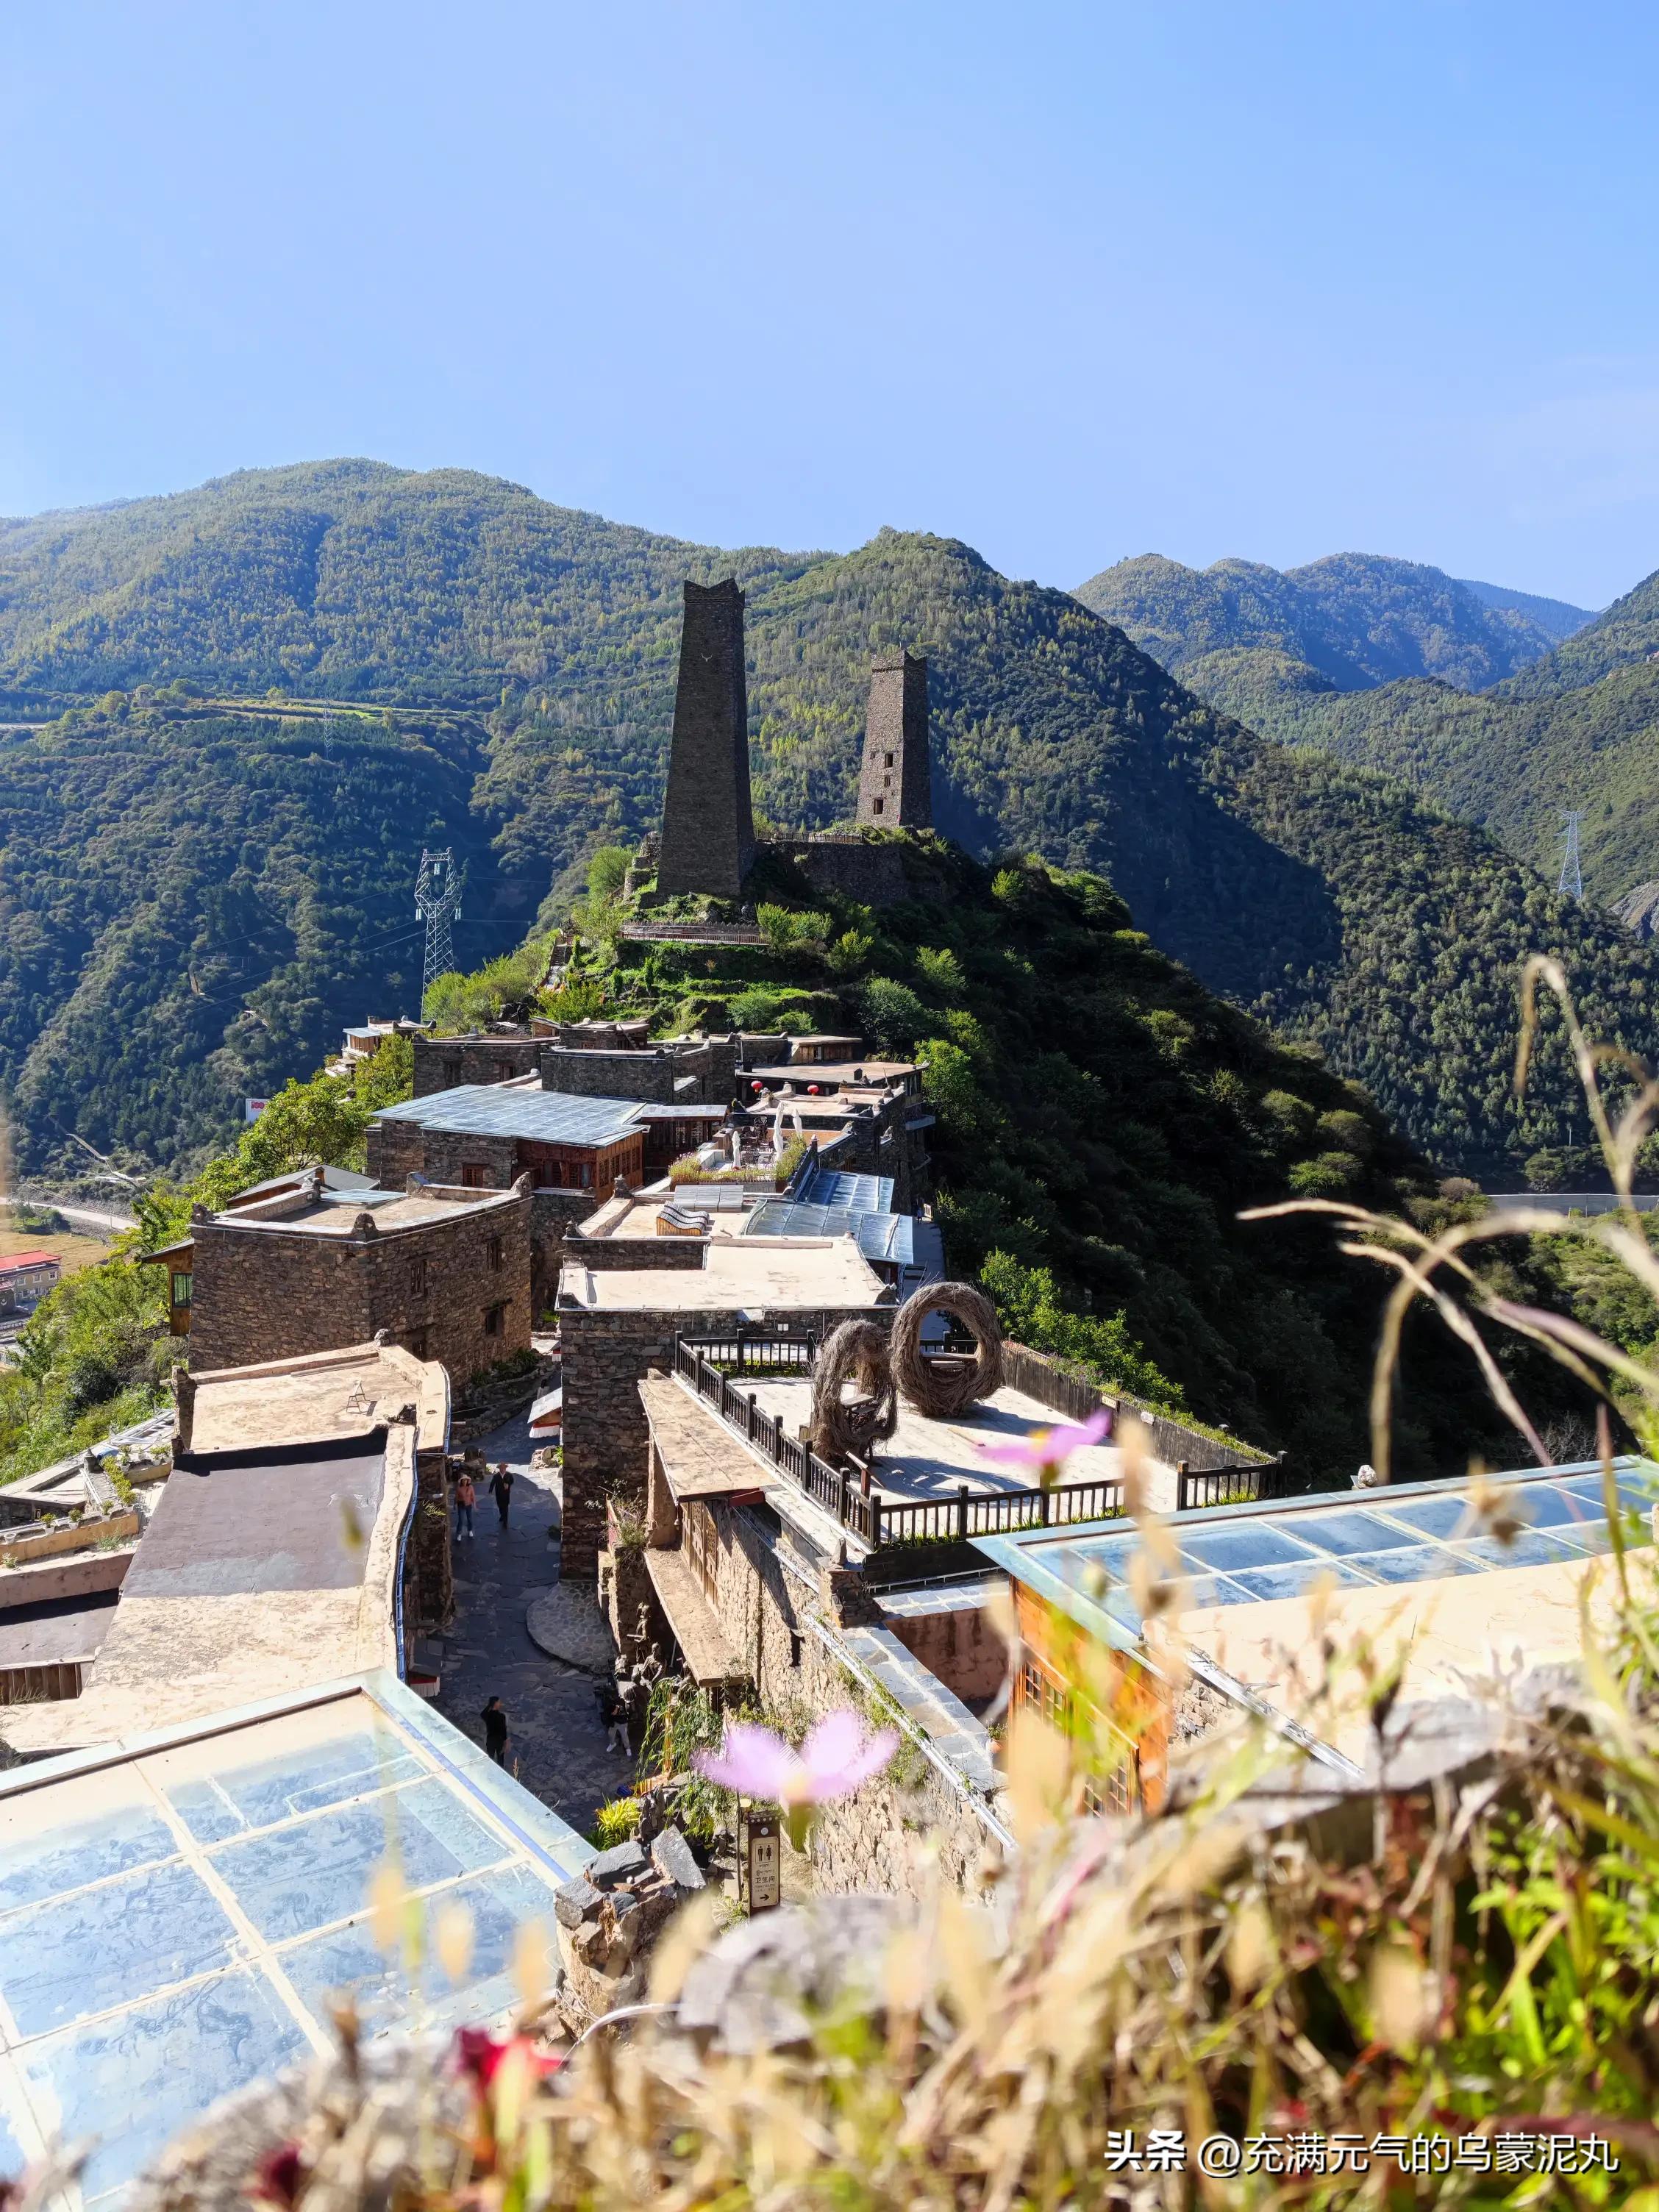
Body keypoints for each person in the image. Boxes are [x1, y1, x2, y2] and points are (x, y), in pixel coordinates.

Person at [595, 1675, 629, 1755]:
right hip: (613, 1718)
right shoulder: (611, 1702)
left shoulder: (619, 1701)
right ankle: (616, 1744)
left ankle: (625, 1748)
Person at [480, 1695, 508, 1765]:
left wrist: (490, 1705)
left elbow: (482, 1714)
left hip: (490, 1740)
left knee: (490, 1760)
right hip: (499, 1740)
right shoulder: (501, 1716)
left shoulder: (488, 1715)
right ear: (495, 1703)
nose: (500, 1704)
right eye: (499, 1702)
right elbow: (503, 1730)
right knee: (500, 1761)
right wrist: (505, 1742)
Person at [489, 1462, 515, 1529]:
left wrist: (508, 1484)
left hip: (506, 1494)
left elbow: (512, 1481)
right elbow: (493, 1483)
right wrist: (490, 1490)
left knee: (506, 1508)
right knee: (500, 1507)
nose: (503, 1469)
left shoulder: (509, 1475)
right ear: (499, 1469)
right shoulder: (496, 1476)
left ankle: (505, 1523)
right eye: (501, 1468)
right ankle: (502, 1516)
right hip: (499, 1494)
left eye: (504, 1468)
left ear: (505, 1468)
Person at [454, 1469, 476, 1541]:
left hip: (469, 1505)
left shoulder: (471, 1487)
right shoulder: (459, 1488)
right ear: (461, 1481)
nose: (465, 1481)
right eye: (463, 1480)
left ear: (468, 1481)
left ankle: (470, 1530)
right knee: (461, 1520)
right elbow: (456, 1497)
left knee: (470, 1519)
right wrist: (455, 1505)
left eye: (466, 1480)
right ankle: (459, 1534)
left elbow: (473, 1496)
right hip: (461, 1505)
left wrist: (475, 1505)